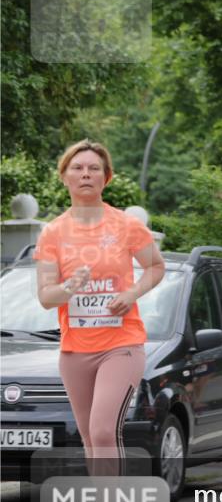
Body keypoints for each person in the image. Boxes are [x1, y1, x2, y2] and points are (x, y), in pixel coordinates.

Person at [35, 140, 166, 476]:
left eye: (94, 168)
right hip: (75, 350)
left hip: (120, 345)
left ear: (106, 178)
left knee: (105, 431)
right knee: (91, 437)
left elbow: (155, 267)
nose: (86, 174)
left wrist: (132, 293)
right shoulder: (52, 232)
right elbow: (46, 296)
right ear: (64, 176)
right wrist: (68, 287)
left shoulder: (126, 225)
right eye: (77, 168)